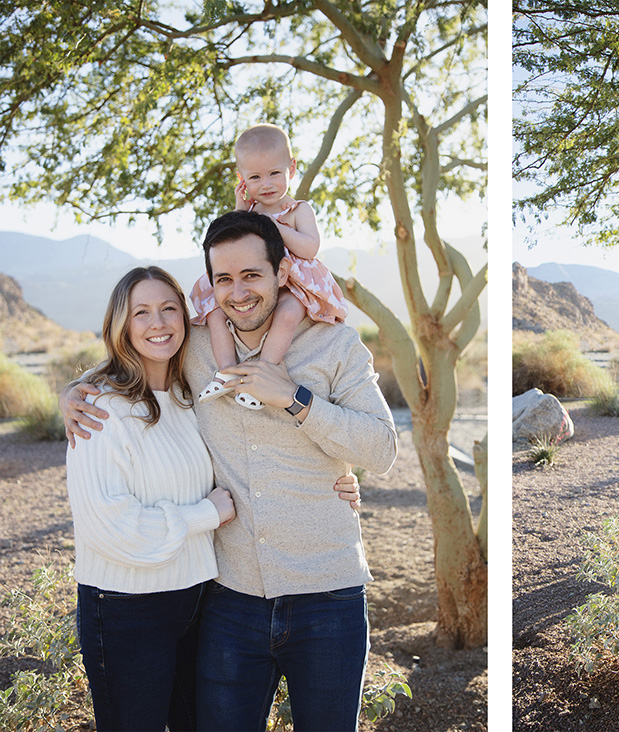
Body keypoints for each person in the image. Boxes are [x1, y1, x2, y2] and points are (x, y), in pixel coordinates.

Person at [62, 210, 397, 731]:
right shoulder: (194, 349)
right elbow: (136, 353)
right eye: (224, 279)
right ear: (210, 284)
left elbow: (381, 449)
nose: (238, 293)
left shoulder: (336, 345)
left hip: (327, 594)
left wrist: (294, 398)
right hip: (228, 599)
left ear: (283, 273)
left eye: (252, 275)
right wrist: (75, 392)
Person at [66, 266, 236, 731]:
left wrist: (338, 477)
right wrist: (206, 514)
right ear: (122, 325)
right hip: (127, 609)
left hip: (196, 597)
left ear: (185, 316)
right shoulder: (101, 410)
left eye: (168, 308)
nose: (158, 323)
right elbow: (110, 526)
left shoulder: (188, 396)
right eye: (141, 312)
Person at [191, 123, 350, 409]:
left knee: (287, 315)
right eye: (255, 177)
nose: (266, 184)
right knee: (214, 309)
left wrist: (274, 226)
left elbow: (309, 248)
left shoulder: (298, 210)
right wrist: (240, 209)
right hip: (258, 280)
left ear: (291, 168)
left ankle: (263, 373)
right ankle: (227, 370)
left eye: (274, 174)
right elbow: (233, 240)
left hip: (296, 282)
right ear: (242, 179)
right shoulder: (250, 210)